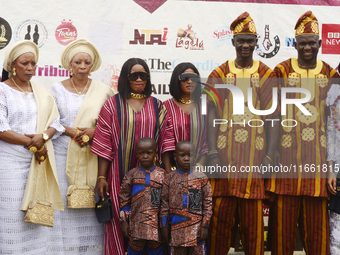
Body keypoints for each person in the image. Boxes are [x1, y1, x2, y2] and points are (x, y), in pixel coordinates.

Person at [265, 11, 340, 255]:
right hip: (285, 165)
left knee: (317, 239)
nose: (307, 47)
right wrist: (270, 152)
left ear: (319, 44)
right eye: (302, 43)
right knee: (281, 238)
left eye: (311, 42)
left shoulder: (331, 75)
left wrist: (333, 168)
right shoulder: (281, 72)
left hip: (318, 169)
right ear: (294, 44)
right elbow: (269, 117)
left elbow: (335, 125)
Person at [206, 12, 279, 255]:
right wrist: (212, 153)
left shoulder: (267, 75)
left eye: (250, 40)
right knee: (219, 229)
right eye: (241, 40)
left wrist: (269, 156)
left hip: (253, 163)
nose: (245, 45)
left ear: (257, 41)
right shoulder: (218, 74)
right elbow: (210, 118)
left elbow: (274, 119)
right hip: (224, 163)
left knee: (254, 232)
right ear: (233, 42)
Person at [91, 58, 167, 255]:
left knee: (151, 221)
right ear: (126, 78)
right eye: (135, 75)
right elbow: (104, 143)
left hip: (152, 179)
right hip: (118, 175)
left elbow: (165, 142)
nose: (140, 79)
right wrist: (101, 177)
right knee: (119, 222)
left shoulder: (158, 106)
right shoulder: (112, 105)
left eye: (144, 75)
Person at [49, 39, 114, 253]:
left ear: (93, 65)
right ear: (70, 64)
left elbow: (112, 121)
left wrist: (95, 132)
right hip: (62, 154)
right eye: (78, 62)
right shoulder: (56, 89)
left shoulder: (103, 91)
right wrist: (73, 132)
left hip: (93, 154)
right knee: (64, 205)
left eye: (87, 62)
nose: (83, 67)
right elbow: (51, 120)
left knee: (90, 205)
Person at [0, 40, 64, 254]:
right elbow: (1, 129)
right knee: (11, 213)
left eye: (33, 64)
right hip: (9, 164)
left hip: (38, 161)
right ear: (12, 65)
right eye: (24, 63)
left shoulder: (42, 91)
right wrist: (33, 143)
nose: (29, 68)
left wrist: (43, 136)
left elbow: (55, 122)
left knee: (37, 213)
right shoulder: (2, 90)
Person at [160, 140, 212, 255]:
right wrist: (164, 226)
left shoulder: (201, 177)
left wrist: (205, 226)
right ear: (175, 156)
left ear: (196, 156)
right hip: (175, 230)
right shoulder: (169, 178)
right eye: (182, 155)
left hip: (196, 230)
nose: (186, 158)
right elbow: (164, 203)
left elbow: (207, 203)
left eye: (190, 155)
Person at [119, 137, 165, 255]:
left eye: (149, 153)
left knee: (156, 251)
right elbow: (124, 200)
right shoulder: (131, 175)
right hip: (135, 227)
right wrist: (124, 221)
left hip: (156, 228)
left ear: (155, 153)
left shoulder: (163, 175)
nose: (145, 156)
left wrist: (165, 225)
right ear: (137, 155)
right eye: (141, 153)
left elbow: (166, 202)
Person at [162, 62, 207, 173]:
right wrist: (169, 174)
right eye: (184, 78)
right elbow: (165, 143)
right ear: (176, 80)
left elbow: (208, 139)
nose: (190, 81)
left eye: (194, 78)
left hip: (200, 170)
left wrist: (199, 166)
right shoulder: (165, 107)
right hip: (172, 170)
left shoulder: (205, 106)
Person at [326, 83, 340, 255]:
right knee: (336, 225)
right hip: (338, 167)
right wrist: (330, 169)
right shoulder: (335, 91)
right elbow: (331, 132)